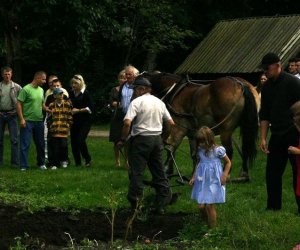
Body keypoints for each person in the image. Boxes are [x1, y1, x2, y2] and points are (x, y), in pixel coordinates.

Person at [117, 77, 175, 215]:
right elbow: (171, 123)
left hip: (141, 140)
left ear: (142, 89)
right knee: (159, 172)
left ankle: (135, 204)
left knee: (137, 172)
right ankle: (161, 203)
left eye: (136, 89)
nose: (134, 92)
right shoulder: (159, 102)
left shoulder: (136, 102)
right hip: (156, 140)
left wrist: (123, 139)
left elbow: (126, 123)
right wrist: (164, 138)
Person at [259, 52, 300, 213]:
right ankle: (273, 207)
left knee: (298, 173)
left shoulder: (293, 83)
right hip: (276, 134)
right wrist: (263, 138)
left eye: (267, 68)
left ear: (277, 66)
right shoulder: (267, 86)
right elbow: (264, 114)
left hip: (293, 133)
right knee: (272, 172)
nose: (265, 72)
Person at [189, 126, 231, 228]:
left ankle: (212, 229)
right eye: (199, 142)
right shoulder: (200, 150)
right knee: (201, 206)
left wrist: (224, 175)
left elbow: (228, 162)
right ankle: (205, 223)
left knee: (209, 206)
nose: (200, 144)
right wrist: (193, 177)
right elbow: (198, 164)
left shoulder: (218, 151)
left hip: (214, 181)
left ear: (210, 140)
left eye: (202, 142)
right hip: (203, 181)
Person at [16, 71, 47, 170]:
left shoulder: (41, 90)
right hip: (28, 121)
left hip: (39, 121)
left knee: (40, 143)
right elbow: (19, 104)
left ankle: (41, 163)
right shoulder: (26, 89)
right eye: (43, 79)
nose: (45, 81)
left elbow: (42, 104)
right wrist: (21, 119)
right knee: (25, 144)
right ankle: (24, 165)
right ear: (37, 78)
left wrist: (48, 109)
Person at [0, 66, 22, 167]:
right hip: (0, 114)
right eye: (5, 74)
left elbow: (22, 101)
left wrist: (17, 112)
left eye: (9, 74)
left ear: (11, 74)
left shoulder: (17, 87)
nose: (7, 76)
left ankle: (15, 163)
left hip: (12, 114)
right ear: (2, 75)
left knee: (14, 140)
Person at [69, 74, 93, 167]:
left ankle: (87, 159)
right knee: (73, 142)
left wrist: (78, 110)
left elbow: (90, 108)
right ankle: (77, 163)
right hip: (74, 121)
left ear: (80, 83)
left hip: (85, 121)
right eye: (72, 83)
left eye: (76, 83)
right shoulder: (71, 93)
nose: (74, 85)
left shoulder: (86, 93)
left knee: (80, 140)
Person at [44, 78, 69, 165]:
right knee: (52, 144)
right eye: (54, 86)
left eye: (58, 85)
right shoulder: (49, 98)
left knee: (63, 144)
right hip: (53, 125)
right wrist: (49, 112)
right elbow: (46, 109)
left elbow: (69, 112)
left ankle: (64, 160)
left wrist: (68, 123)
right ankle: (53, 162)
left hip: (63, 125)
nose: (56, 87)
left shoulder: (65, 99)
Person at [47, 88, 73, 169]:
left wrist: (68, 126)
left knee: (64, 146)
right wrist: (51, 126)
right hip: (54, 130)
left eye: (62, 94)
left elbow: (70, 117)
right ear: (55, 96)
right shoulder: (51, 105)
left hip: (64, 130)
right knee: (55, 147)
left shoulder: (67, 104)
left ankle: (64, 161)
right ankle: (55, 163)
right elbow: (49, 118)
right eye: (59, 94)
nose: (61, 95)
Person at [109, 70, 127, 167]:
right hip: (116, 116)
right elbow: (112, 102)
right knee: (116, 140)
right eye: (121, 77)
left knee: (127, 140)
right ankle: (117, 161)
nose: (122, 79)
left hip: (127, 116)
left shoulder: (130, 90)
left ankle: (127, 161)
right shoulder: (114, 90)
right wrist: (118, 104)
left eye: (124, 78)